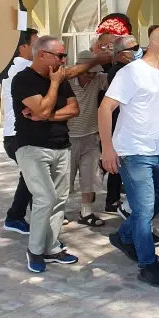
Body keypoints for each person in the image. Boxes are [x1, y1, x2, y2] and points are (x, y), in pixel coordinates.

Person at [100, 26, 159, 287]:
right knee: (143, 210)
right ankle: (148, 265)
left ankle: (123, 236)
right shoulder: (132, 73)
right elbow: (106, 108)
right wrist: (108, 148)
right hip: (133, 152)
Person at [12, 36, 103, 273]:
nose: (64, 60)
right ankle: (34, 250)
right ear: (41, 54)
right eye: (60, 55)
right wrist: (53, 86)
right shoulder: (24, 80)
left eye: (64, 55)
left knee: (59, 200)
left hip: (62, 147)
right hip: (32, 147)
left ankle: (51, 247)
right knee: (45, 198)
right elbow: (40, 108)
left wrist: (48, 115)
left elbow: (74, 109)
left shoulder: (61, 78)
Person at [2, 29, 38, 235]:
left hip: (14, 134)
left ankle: (20, 215)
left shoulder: (14, 67)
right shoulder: (23, 68)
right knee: (33, 176)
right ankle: (16, 216)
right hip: (19, 135)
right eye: (36, 44)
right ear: (22, 47)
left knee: (31, 175)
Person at [67, 50, 109, 228]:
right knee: (63, 179)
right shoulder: (66, 82)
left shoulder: (98, 79)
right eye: (88, 72)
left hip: (91, 136)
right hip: (67, 138)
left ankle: (86, 211)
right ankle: (58, 212)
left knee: (90, 177)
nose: (91, 77)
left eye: (94, 73)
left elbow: (117, 77)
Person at [105, 34, 142, 216]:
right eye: (134, 49)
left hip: (126, 126)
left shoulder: (131, 70)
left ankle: (116, 198)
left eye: (138, 48)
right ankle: (112, 200)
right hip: (118, 125)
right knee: (116, 165)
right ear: (120, 54)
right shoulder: (118, 72)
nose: (138, 52)